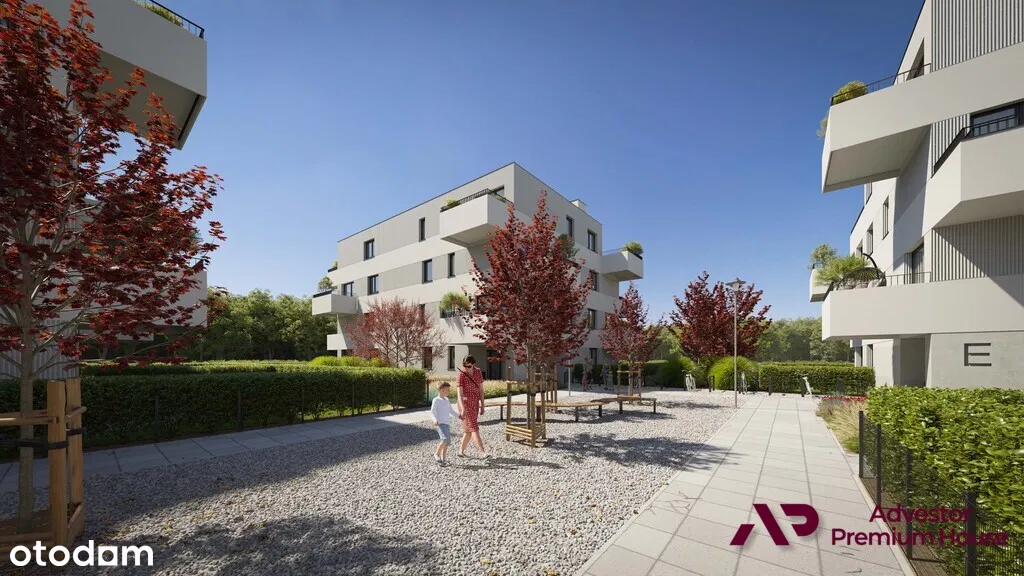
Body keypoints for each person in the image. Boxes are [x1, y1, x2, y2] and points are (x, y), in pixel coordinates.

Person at [456, 354, 489, 459]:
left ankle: (460, 452)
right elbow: (459, 394)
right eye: (464, 366)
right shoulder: (461, 375)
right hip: (465, 405)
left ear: (473, 364)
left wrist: (482, 405)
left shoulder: (478, 372)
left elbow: (481, 390)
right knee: (474, 428)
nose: (466, 368)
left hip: (475, 404)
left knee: (468, 430)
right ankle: (483, 452)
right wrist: (463, 409)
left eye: (469, 366)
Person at [430, 382, 462, 465]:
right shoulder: (436, 400)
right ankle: (437, 454)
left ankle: (444, 460)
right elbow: (432, 413)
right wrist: (434, 420)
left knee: (447, 441)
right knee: (444, 439)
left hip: (447, 423)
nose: (449, 391)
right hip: (440, 424)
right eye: (447, 390)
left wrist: (459, 416)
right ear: (441, 390)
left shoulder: (446, 400)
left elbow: (451, 411)